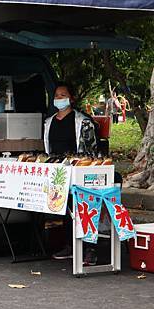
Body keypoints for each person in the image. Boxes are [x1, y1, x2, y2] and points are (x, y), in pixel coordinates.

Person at [44, 83, 98, 265]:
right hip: (58, 171)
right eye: (57, 95)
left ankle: (90, 249)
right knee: (65, 209)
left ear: (71, 98)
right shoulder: (49, 122)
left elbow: (91, 151)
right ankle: (70, 245)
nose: (59, 98)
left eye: (63, 95)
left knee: (83, 209)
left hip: (79, 170)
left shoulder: (83, 122)